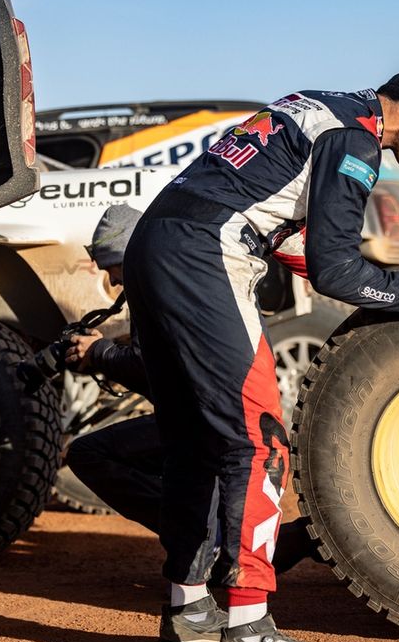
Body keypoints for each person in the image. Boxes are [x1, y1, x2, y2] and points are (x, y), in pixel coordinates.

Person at [123, 52, 399, 642]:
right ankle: (248, 630)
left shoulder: (318, 105)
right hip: (204, 256)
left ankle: (188, 611)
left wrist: (398, 284)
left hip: (155, 245)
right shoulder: (354, 139)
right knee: (261, 441)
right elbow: (335, 270)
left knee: (195, 441)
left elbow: (287, 233)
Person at [62, 205, 322, 577]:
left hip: (207, 425)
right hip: (235, 416)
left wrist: (99, 354)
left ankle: (210, 541)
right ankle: (290, 540)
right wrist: (114, 345)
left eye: (112, 269)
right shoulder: (184, 269)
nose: (115, 283)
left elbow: (155, 374)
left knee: (89, 455)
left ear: (128, 254)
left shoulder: (152, 279)